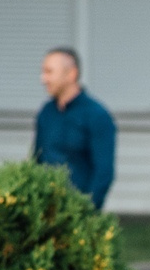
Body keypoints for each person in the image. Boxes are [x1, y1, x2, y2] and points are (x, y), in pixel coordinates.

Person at [33, 47, 115, 209]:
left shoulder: (96, 115)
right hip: (46, 210)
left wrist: (86, 210)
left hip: (79, 210)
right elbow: (37, 160)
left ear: (71, 74)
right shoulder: (46, 113)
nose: (43, 79)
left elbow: (103, 172)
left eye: (49, 72)